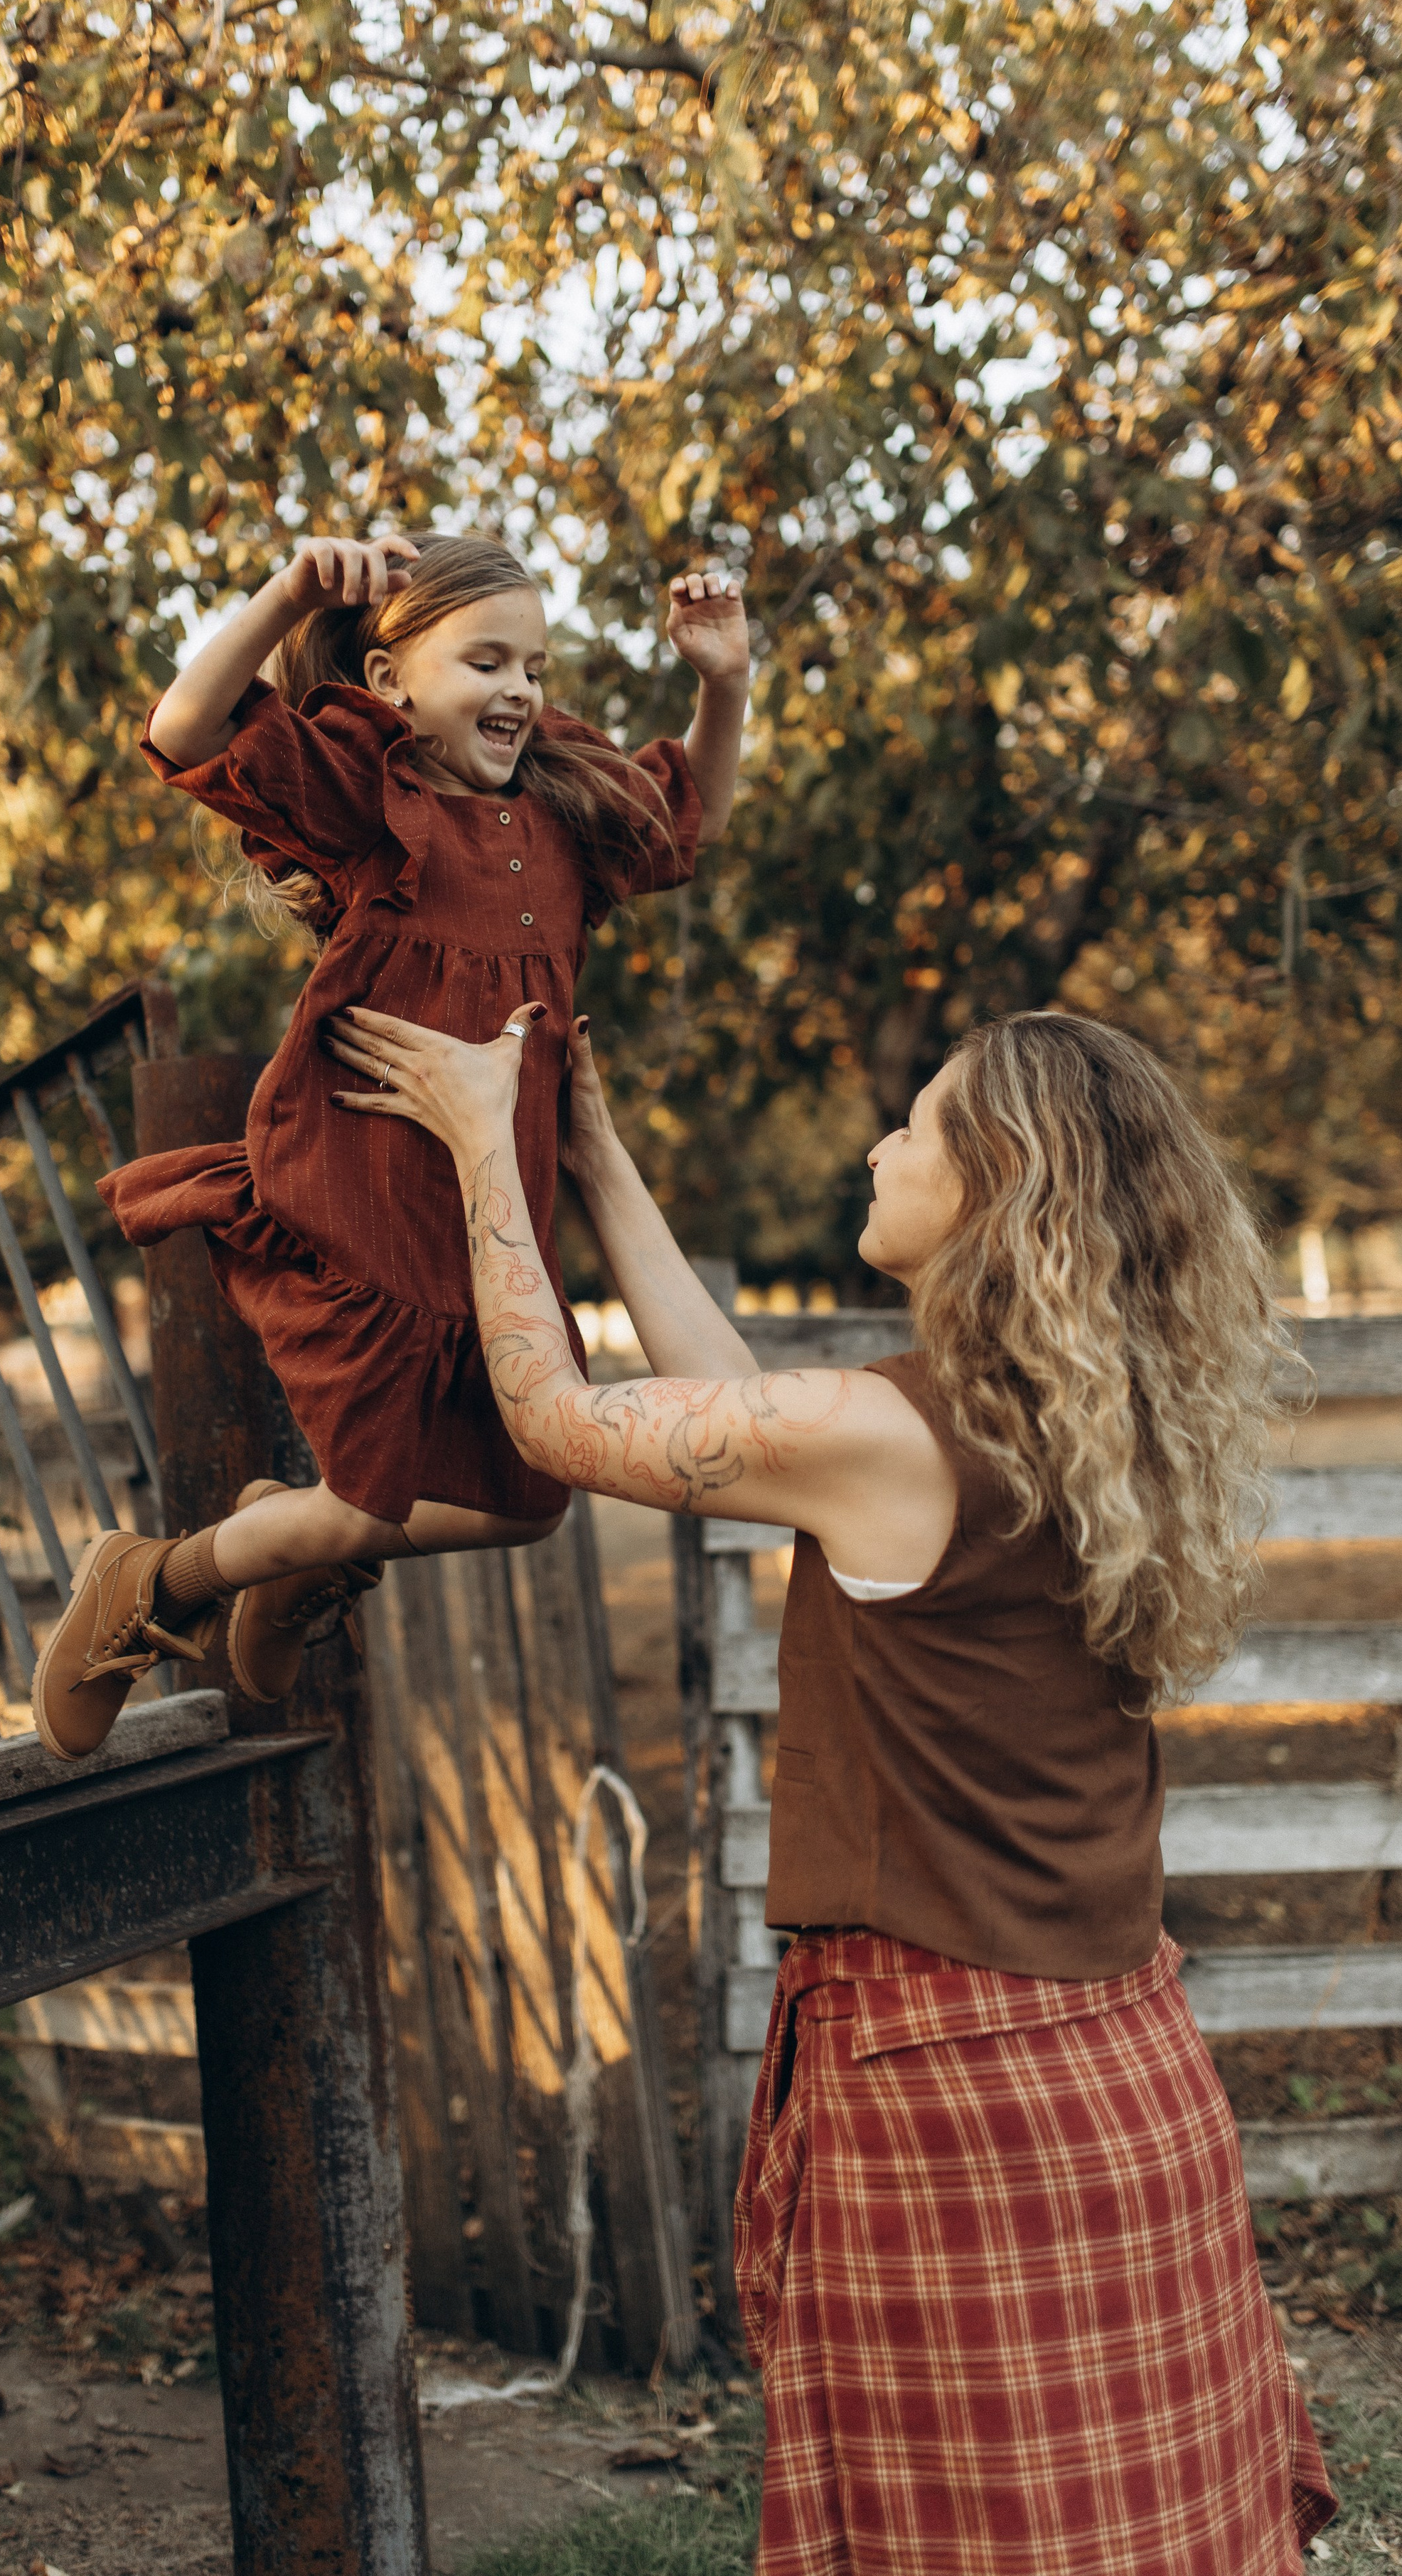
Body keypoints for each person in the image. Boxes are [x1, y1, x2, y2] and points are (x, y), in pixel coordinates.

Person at [314, 994, 1336, 2575]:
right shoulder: (1078, 1425)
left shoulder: (896, 1436)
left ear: (994, 1185)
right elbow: (740, 1409)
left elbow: (554, 1419)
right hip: (1119, 2074)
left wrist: (476, 1145)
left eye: (913, 1126)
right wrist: (594, 1159)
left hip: (957, 2098)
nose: (876, 1145)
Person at [30, 530, 749, 1757]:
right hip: (360, 1197)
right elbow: (186, 730)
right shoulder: (373, 798)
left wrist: (723, 683)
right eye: (487, 662)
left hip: (490, 1224)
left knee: (531, 1500)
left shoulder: (565, 816)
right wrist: (287, 591)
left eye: (536, 667)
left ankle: (295, 1552)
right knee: (369, 1500)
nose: (520, 691)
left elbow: (689, 819)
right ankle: (151, 1581)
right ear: (390, 682)